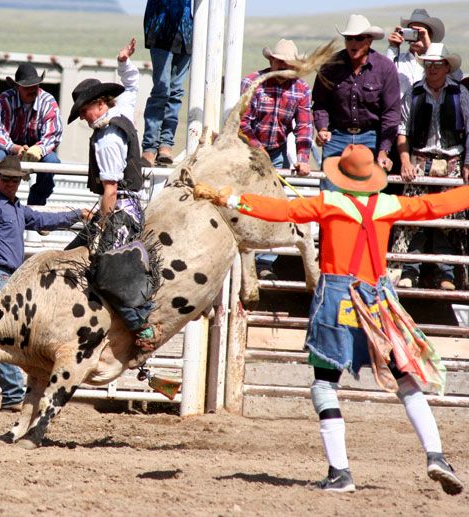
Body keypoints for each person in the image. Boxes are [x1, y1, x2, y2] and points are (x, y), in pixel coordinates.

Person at [194, 144, 465, 496]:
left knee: (324, 385)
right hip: (377, 299)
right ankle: (436, 455)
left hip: (337, 300)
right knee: (406, 381)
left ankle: (340, 472)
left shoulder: (329, 204)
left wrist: (231, 200)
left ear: (343, 176)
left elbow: (282, 210)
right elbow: (433, 206)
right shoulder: (387, 204)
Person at [0, 155, 92, 411]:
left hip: (6, 277)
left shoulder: (15, 207)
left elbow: (41, 220)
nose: (11, 184)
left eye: (15, 180)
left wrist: (77, 215)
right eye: (7, 179)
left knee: (1, 337)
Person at [66, 39, 159, 351]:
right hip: (131, 207)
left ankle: (142, 328)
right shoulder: (123, 114)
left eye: (83, 110)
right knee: (75, 256)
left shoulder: (107, 139)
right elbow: (132, 86)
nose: (83, 117)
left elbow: (110, 189)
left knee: (107, 273)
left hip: (120, 210)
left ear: (98, 104)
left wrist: (103, 223)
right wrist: (124, 63)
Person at [393, 44, 469, 290]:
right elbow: (402, 130)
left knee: (450, 219)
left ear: (447, 67)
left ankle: (446, 273)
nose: (433, 69)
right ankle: (409, 270)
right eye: (429, 64)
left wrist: (467, 164)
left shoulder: (462, 94)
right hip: (420, 161)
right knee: (413, 217)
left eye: (438, 64)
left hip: (452, 163)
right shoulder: (414, 94)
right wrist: (404, 160)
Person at [240, 38, 313, 278]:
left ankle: (264, 262)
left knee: (273, 205)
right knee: (245, 201)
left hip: (278, 150)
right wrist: (256, 147)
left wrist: (303, 156)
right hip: (247, 150)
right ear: (271, 60)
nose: (283, 67)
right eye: (279, 62)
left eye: (287, 64)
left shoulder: (301, 89)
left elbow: (304, 126)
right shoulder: (252, 83)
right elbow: (242, 122)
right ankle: (243, 256)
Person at [312, 14, 400, 183]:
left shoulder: (385, 68)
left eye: (358, 38)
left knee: (366, 192)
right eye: (349, 38)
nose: (353, 43)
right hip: (336, 136)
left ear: (370, 41)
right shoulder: (331, 66)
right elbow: (320, 103)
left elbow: (391, 114)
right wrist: (322, 128)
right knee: (332, 191)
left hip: (371, 137)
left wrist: (383, 150)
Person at [0, 63, 63, 206]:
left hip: (37, 150)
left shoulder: (48, 102)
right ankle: (2, 202)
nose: (33, 89)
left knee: (52, 161)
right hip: (10, 151)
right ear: (17, 87)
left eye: (35, 85)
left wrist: (38, 150)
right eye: (27, 86)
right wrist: (16, 149)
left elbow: (53, 134)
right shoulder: (4, 101)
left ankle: (37, 202)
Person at [141, 0, 193, 167]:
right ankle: (150, 147)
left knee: (176, 92)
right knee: (162, 91)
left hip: (186, 33)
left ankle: (165, 145)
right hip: (161, 31)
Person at [386, 8, 462, 99]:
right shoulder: (398, 60)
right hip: (401, 112)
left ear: (429, 35)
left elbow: (457, 77)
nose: (416, 35)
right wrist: (393, 47)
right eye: (412, 31)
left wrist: (429, 48)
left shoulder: (439, 61)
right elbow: (383, 77)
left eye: (420, 32)